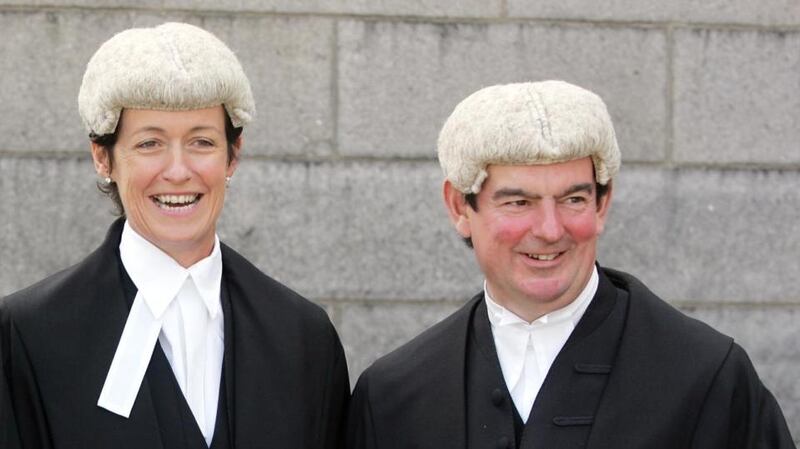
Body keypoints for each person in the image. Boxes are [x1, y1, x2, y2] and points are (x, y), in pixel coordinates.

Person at [346, 81, 795, 448]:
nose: (549, 228)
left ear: (603, 204)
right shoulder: (395, 395)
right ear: (459, 207)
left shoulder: (706, 378)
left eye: (573, 199)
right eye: (518, 201)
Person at [0, 22, 348, 448]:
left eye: (202, 142)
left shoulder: (303, 337)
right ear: (103, 157)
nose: (179, 171)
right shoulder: (27, 335)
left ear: (233, 155)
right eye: (150, 144)